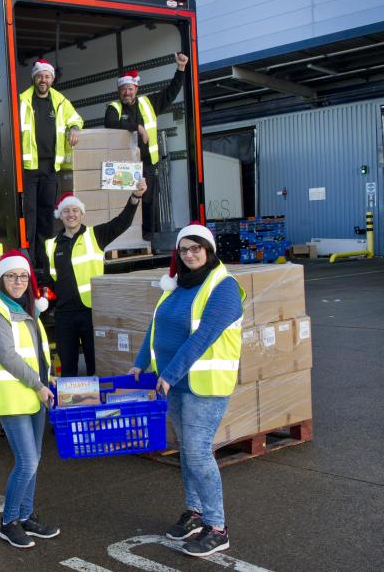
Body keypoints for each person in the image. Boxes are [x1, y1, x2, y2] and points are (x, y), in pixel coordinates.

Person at [129, 224, 244, 557]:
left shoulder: (223, 288)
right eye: (184, 249)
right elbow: (157, 325)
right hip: (174, 383)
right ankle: (195, 513)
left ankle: (217, 527)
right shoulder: (177, 285)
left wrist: (170, 373)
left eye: (197, 248)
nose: (190, 254)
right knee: (187, 450)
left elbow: (204, 335)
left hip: (202, 386)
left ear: (209, 250)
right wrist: (141, 363)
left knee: (197, 452)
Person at [0, 250, 58, 549]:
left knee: (34, 462)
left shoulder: (28, 310)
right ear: (1, 279)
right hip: (14, 396)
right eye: (11, 276)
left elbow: (35, 353)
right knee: (27, 461)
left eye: (23, 276)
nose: (18, 281)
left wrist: (47, 378)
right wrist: (38, 384)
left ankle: (26, 516)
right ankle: (8, 521)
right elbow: (7, 356)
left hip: (35, 393)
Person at [43, 182, 146, 375]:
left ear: (82, 214)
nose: (71, 214)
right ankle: (71, 404)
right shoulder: (51, 245)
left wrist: (135, 197)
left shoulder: (95, 235)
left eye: (75, 210)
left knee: (95, 363)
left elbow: (122, 222)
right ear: (60, 216)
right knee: (68, 366)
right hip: (65, 314)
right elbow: (51, 279)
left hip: (91, 312)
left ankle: (95, 402)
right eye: (66, 211)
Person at [104, 52, 189, 239]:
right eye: (124, 89)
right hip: (123, 167)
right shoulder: (114, 108)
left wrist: (180, 69)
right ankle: (126, 241)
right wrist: (137, 127)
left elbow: (170, 93)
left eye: (130, 89)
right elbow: (111, 125)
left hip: (147, 165)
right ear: (119, 91)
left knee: (150, 203)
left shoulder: (148, 103)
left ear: (136, 88)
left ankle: (148, 240)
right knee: (126, 203)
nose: (127, 92)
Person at [19, 58, 83, 253]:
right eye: (39, 76)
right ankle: (29, 258)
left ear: (52, 79)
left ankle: (44, 257)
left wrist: (74, 128)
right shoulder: (22, 101)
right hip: (28, 168)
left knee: (47, 214)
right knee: (29, 214)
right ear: (34, 79)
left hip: (50, 168)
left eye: (47, 76)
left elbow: (76, 118)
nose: (43, 80)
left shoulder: (61, 101)